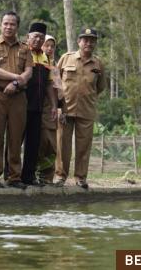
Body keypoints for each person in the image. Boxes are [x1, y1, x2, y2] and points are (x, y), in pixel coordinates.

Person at [0, 11, 33, 189]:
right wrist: (16, 77)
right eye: (5, 23)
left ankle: (13, 177)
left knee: (15, 137)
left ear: (17, 27)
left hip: (18, 97)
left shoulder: (25, 48)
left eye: (12, 24)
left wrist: (16, 82)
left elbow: (29, 72)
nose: (8, 27)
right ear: (0, 25)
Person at [55, 28, 106, 190]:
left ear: (95, 43)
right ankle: (60, 176)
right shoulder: (66, 58)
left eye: (92, 40)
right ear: (79, 42)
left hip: (86, 110)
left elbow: (100, 87)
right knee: (62, 144)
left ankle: (80, 178)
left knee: (84, 146)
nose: (88, 43)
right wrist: (58, 105)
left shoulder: (98, 64)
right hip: (65, 109)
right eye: (85, 40)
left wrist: (87, 97)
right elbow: (55, 80)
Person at [21, 23, 58, 186]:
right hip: (20, 105)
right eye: (35, 36)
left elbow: (50, 84)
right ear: (28, 37)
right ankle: (11, 175)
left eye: (41, 37)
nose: (38, 39)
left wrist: (54, 105)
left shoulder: (46, 57)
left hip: (37, 107)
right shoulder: (22, 52)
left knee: (33, 143)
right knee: (15, 142)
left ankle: (28, 176)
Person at [37, 34, 61, 184]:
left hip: (51, 111)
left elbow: (59, 90)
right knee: (37, 143)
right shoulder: (33, 63)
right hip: (36, 109)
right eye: (47, 45)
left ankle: (46, 177)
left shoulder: (54, 66)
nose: (49, 48)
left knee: (51, 143)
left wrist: (60, 108)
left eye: (52, 46)